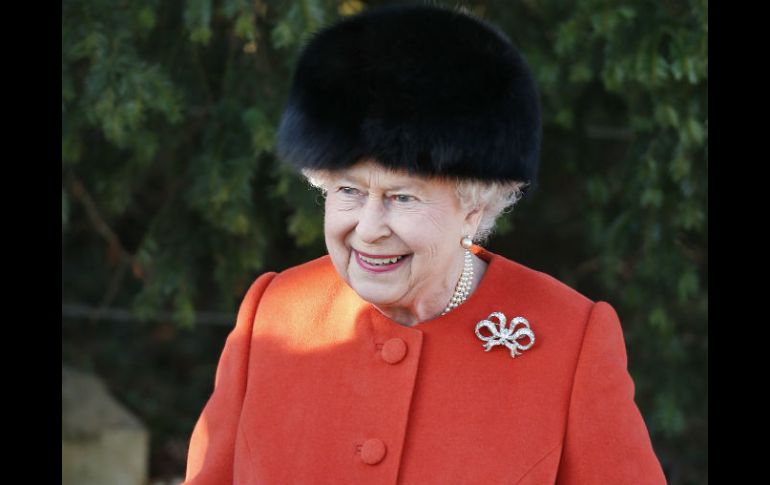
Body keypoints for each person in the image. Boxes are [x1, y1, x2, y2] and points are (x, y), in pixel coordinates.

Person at [182, 4, 667, 484]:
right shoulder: (274, 312)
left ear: (474, 207)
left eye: (402, 197)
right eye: (348, 190)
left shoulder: (570, 341)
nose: (369, 228)